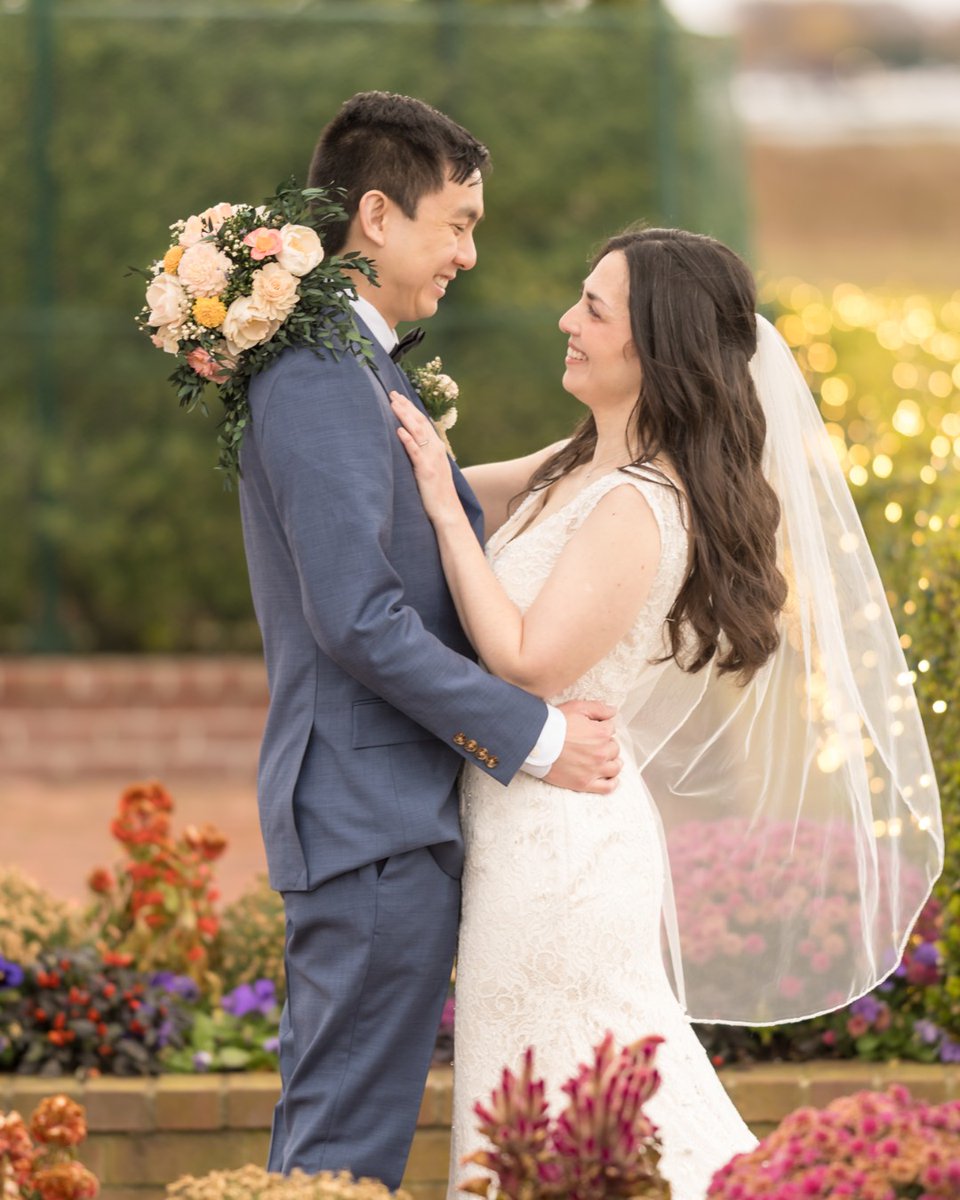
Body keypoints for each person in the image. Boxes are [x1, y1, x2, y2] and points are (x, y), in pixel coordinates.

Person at [390, 227, 943, 1199]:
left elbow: (523, 660)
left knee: (575, 1114)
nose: (567, 320)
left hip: (559, 856)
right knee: (555, 1119)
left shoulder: (640, 507)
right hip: (527, 831)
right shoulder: (578, 467)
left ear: (660, 348)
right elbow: (439, 495)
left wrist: (440, 505)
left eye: (595, 310)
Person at [235, 92, 623, 1189]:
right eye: (457, 222)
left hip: (385, 817)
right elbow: (355, 617)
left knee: (341, 1146)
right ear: (376, 215)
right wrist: (536, 736)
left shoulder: (361, 367)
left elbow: (426, 530)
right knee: (339, 1159)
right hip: (368, 824)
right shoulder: (316, 377)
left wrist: (609, 453)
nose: (468, 252)